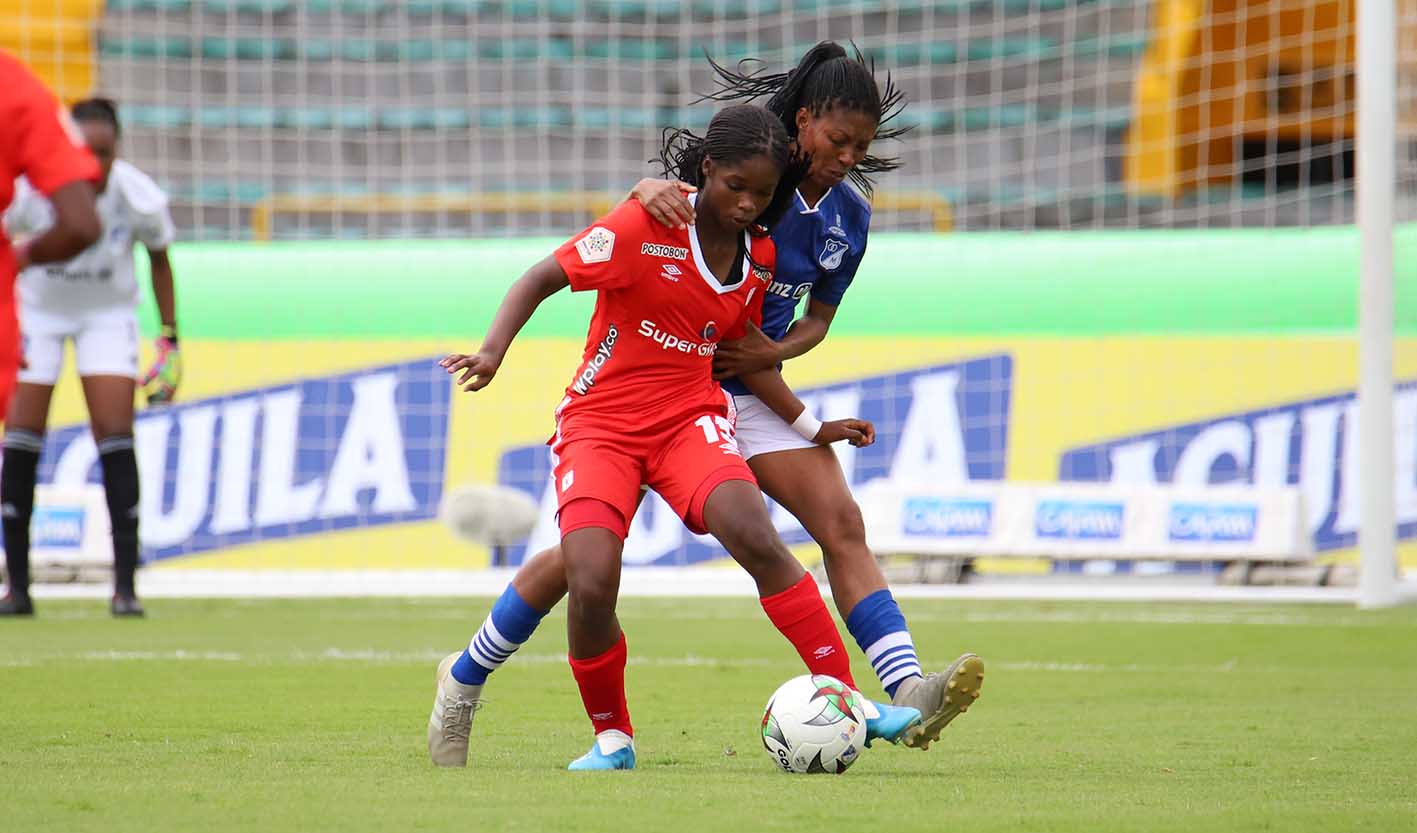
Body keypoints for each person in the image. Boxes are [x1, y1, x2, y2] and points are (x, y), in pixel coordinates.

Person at [429, 42, 984, 767]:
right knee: (581, 565)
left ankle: (895, 692)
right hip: (642, 394)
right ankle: (474, 675)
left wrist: (791, 388)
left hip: (731, 387)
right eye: (837, 140)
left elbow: (809, 320)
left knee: (828, 522)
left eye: (861, 146)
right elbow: (655, 214)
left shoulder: (837, 215)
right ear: (804, 124)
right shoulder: (730, 181)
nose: (848, 156)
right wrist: (638, 189)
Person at [0, 97, 181, 618]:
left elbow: (160, 260)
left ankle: (125, 588)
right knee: (22, 433)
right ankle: (17, 587)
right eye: (86, 152)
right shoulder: (31, 191)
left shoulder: (137, 194)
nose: (95, 165)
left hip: (107, 314)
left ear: (117, 149)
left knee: (114, 431)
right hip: (39, 312)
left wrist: (169, 338)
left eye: (105, 153)